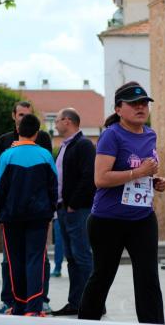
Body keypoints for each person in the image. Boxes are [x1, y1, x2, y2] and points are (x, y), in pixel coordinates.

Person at [78, 82, 165, 323]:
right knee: (103, 276)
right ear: (118, 109)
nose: (141, 107)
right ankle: (87, 320)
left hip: (142, 218)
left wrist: (154, 180)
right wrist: (138, 173)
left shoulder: (150, 134)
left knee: (148, 277)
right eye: (134, 103)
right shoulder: (111, 135)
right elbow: (101, 178)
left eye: (144, 103)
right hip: (108, 220)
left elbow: (142, 170)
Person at [0, 101, 53, 315]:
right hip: (39, 217)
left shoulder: (6, 156)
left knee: (14, 260)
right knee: (35, 258)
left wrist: (1, 213)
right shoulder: (45, 155)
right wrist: (49, 211)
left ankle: (17, 306)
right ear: (36, 133)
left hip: (12, 217)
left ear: (19, 129)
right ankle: (34, 307)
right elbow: (53, 186)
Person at [51, 108, 96, 316]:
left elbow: (89, 177)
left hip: (77, 210)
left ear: (67, 121)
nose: (56, 125)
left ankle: (93, 302)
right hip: (64, 210)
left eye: (57, 121)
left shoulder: (84, 145)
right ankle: (76, 302)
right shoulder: (65, 147)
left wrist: (73, 204)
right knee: (72, 257)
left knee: (82, 256)